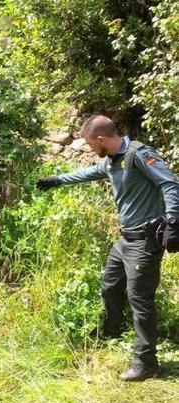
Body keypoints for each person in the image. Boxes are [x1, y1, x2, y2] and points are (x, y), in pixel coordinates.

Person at [37, 115, 179, 382]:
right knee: (110, 286)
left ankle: (146, 362)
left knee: (140, 300)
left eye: (91, 143)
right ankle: (114, 331)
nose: (90, 148)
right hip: (124, 240)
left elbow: (170, 183)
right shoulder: (111, 161)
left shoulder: (138, 154)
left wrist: (173, 220)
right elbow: (87, 173)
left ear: (101, 139)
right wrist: (57, 180)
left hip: (145, 241)